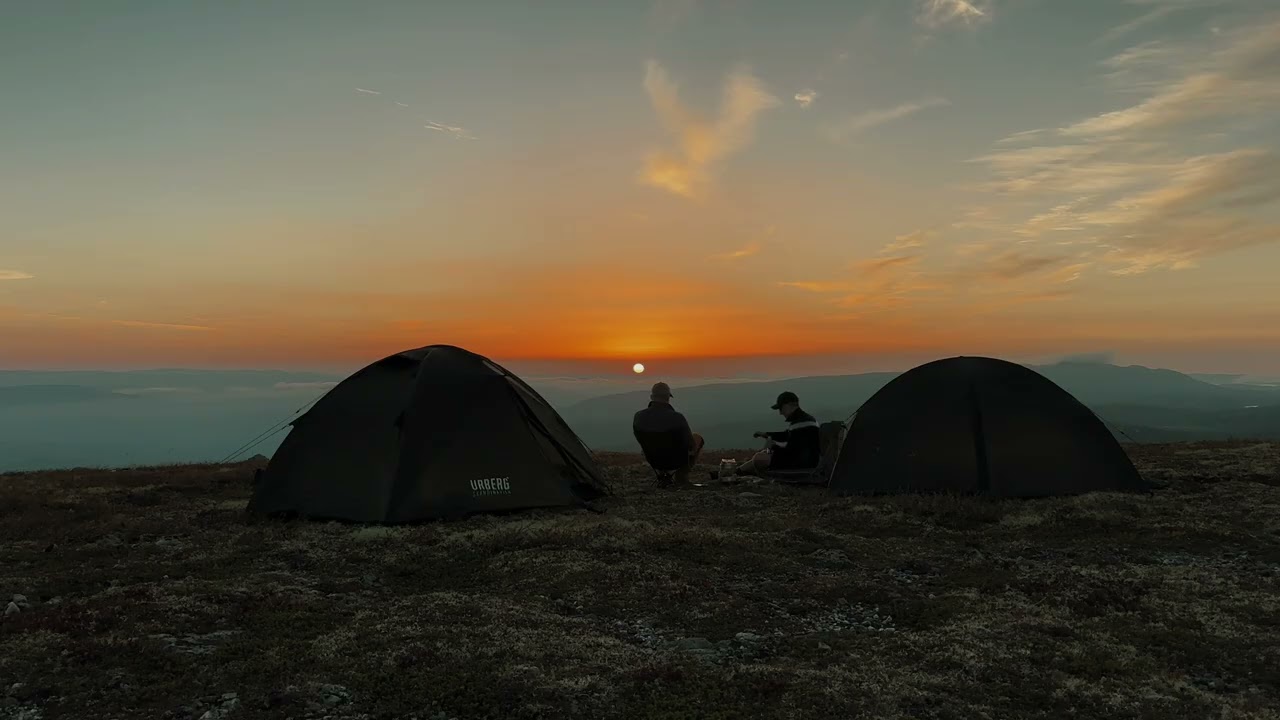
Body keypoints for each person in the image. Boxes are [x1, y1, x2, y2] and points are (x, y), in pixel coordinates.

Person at [632, 382, 705, 484]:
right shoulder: (678, 418)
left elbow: (640, 439)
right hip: (675, 461)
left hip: (653, 460)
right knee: (697, 438)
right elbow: (691, 444)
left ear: (651, 397)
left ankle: (662, 475)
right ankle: (681, 476)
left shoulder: (638, 417)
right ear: (668, 397)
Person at [735, 391, 820, 477]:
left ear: (788, 405)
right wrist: (766, 434)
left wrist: (773, 446)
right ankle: (739, 470)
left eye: (780, 408)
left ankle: (739, 471)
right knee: (762, 455)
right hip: (803, 459)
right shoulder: (804, 421)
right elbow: (787, 436)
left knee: (760, 458)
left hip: (801, 463)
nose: (780, 413)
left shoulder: (802, 423)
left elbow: (792, 448)